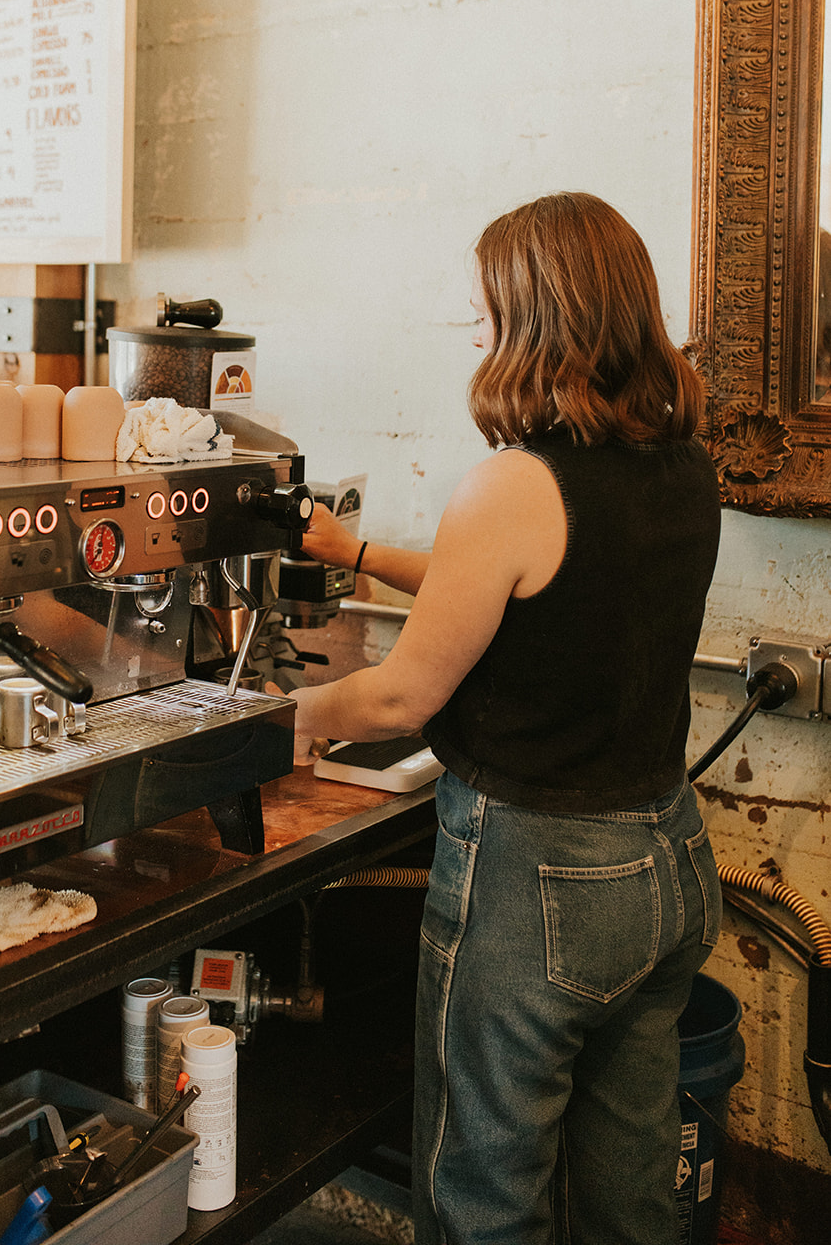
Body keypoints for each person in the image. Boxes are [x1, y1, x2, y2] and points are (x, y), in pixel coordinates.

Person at [292, 191, 722, 1245]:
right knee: (628, 1192)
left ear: (538, 314)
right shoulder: (680, 465)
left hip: (537, 878)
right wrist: (349, 553)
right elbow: (511, 582)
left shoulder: (512, 483)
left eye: (485, 307)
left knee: (485, 1192)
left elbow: (398, 694)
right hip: (665, 856)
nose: (473, 329)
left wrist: (276, 720)